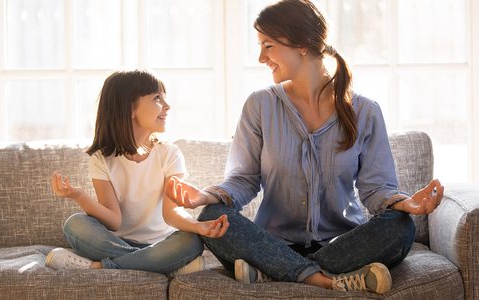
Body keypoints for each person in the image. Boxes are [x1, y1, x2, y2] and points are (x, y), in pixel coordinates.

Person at [165, 0, 444, 295]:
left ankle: (274, 272)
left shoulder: (365, 111)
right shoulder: (260, 105)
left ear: (301, 44)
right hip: (272, 242)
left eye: (268, 45)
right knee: (211, 215)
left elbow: (376, 190)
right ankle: (325, 278)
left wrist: (406, 204)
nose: (261, 57)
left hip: (343, 243)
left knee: (401, 227)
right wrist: (204, 196)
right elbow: (243, 179)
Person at [45, 70, 229, 275]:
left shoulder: (169, 154)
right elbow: (114, 221)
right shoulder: (101, 159)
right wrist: (78, 195)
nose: (167, 106)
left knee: (191, 241)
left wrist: (197, 227)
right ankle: (163, 264)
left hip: (164, 242)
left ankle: (99, 266)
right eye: (157, 98)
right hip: (118, 241)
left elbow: (171, 213)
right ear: (130, 108)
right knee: (75, 224)